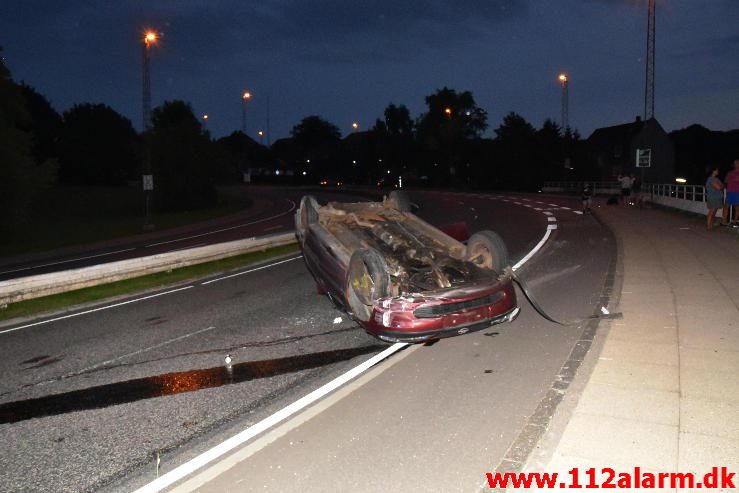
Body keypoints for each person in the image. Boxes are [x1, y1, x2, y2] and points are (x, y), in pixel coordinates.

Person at [725, 159, 739, 224]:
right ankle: (724, 221)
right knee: (726, 207)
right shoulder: (730, 172)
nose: (736, 164)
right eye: (735, 163)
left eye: (737, 162)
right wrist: (734, 179)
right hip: (730, 191)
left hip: (738, 192)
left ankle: (735, 221)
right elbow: (725, 181)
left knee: (737, 208)